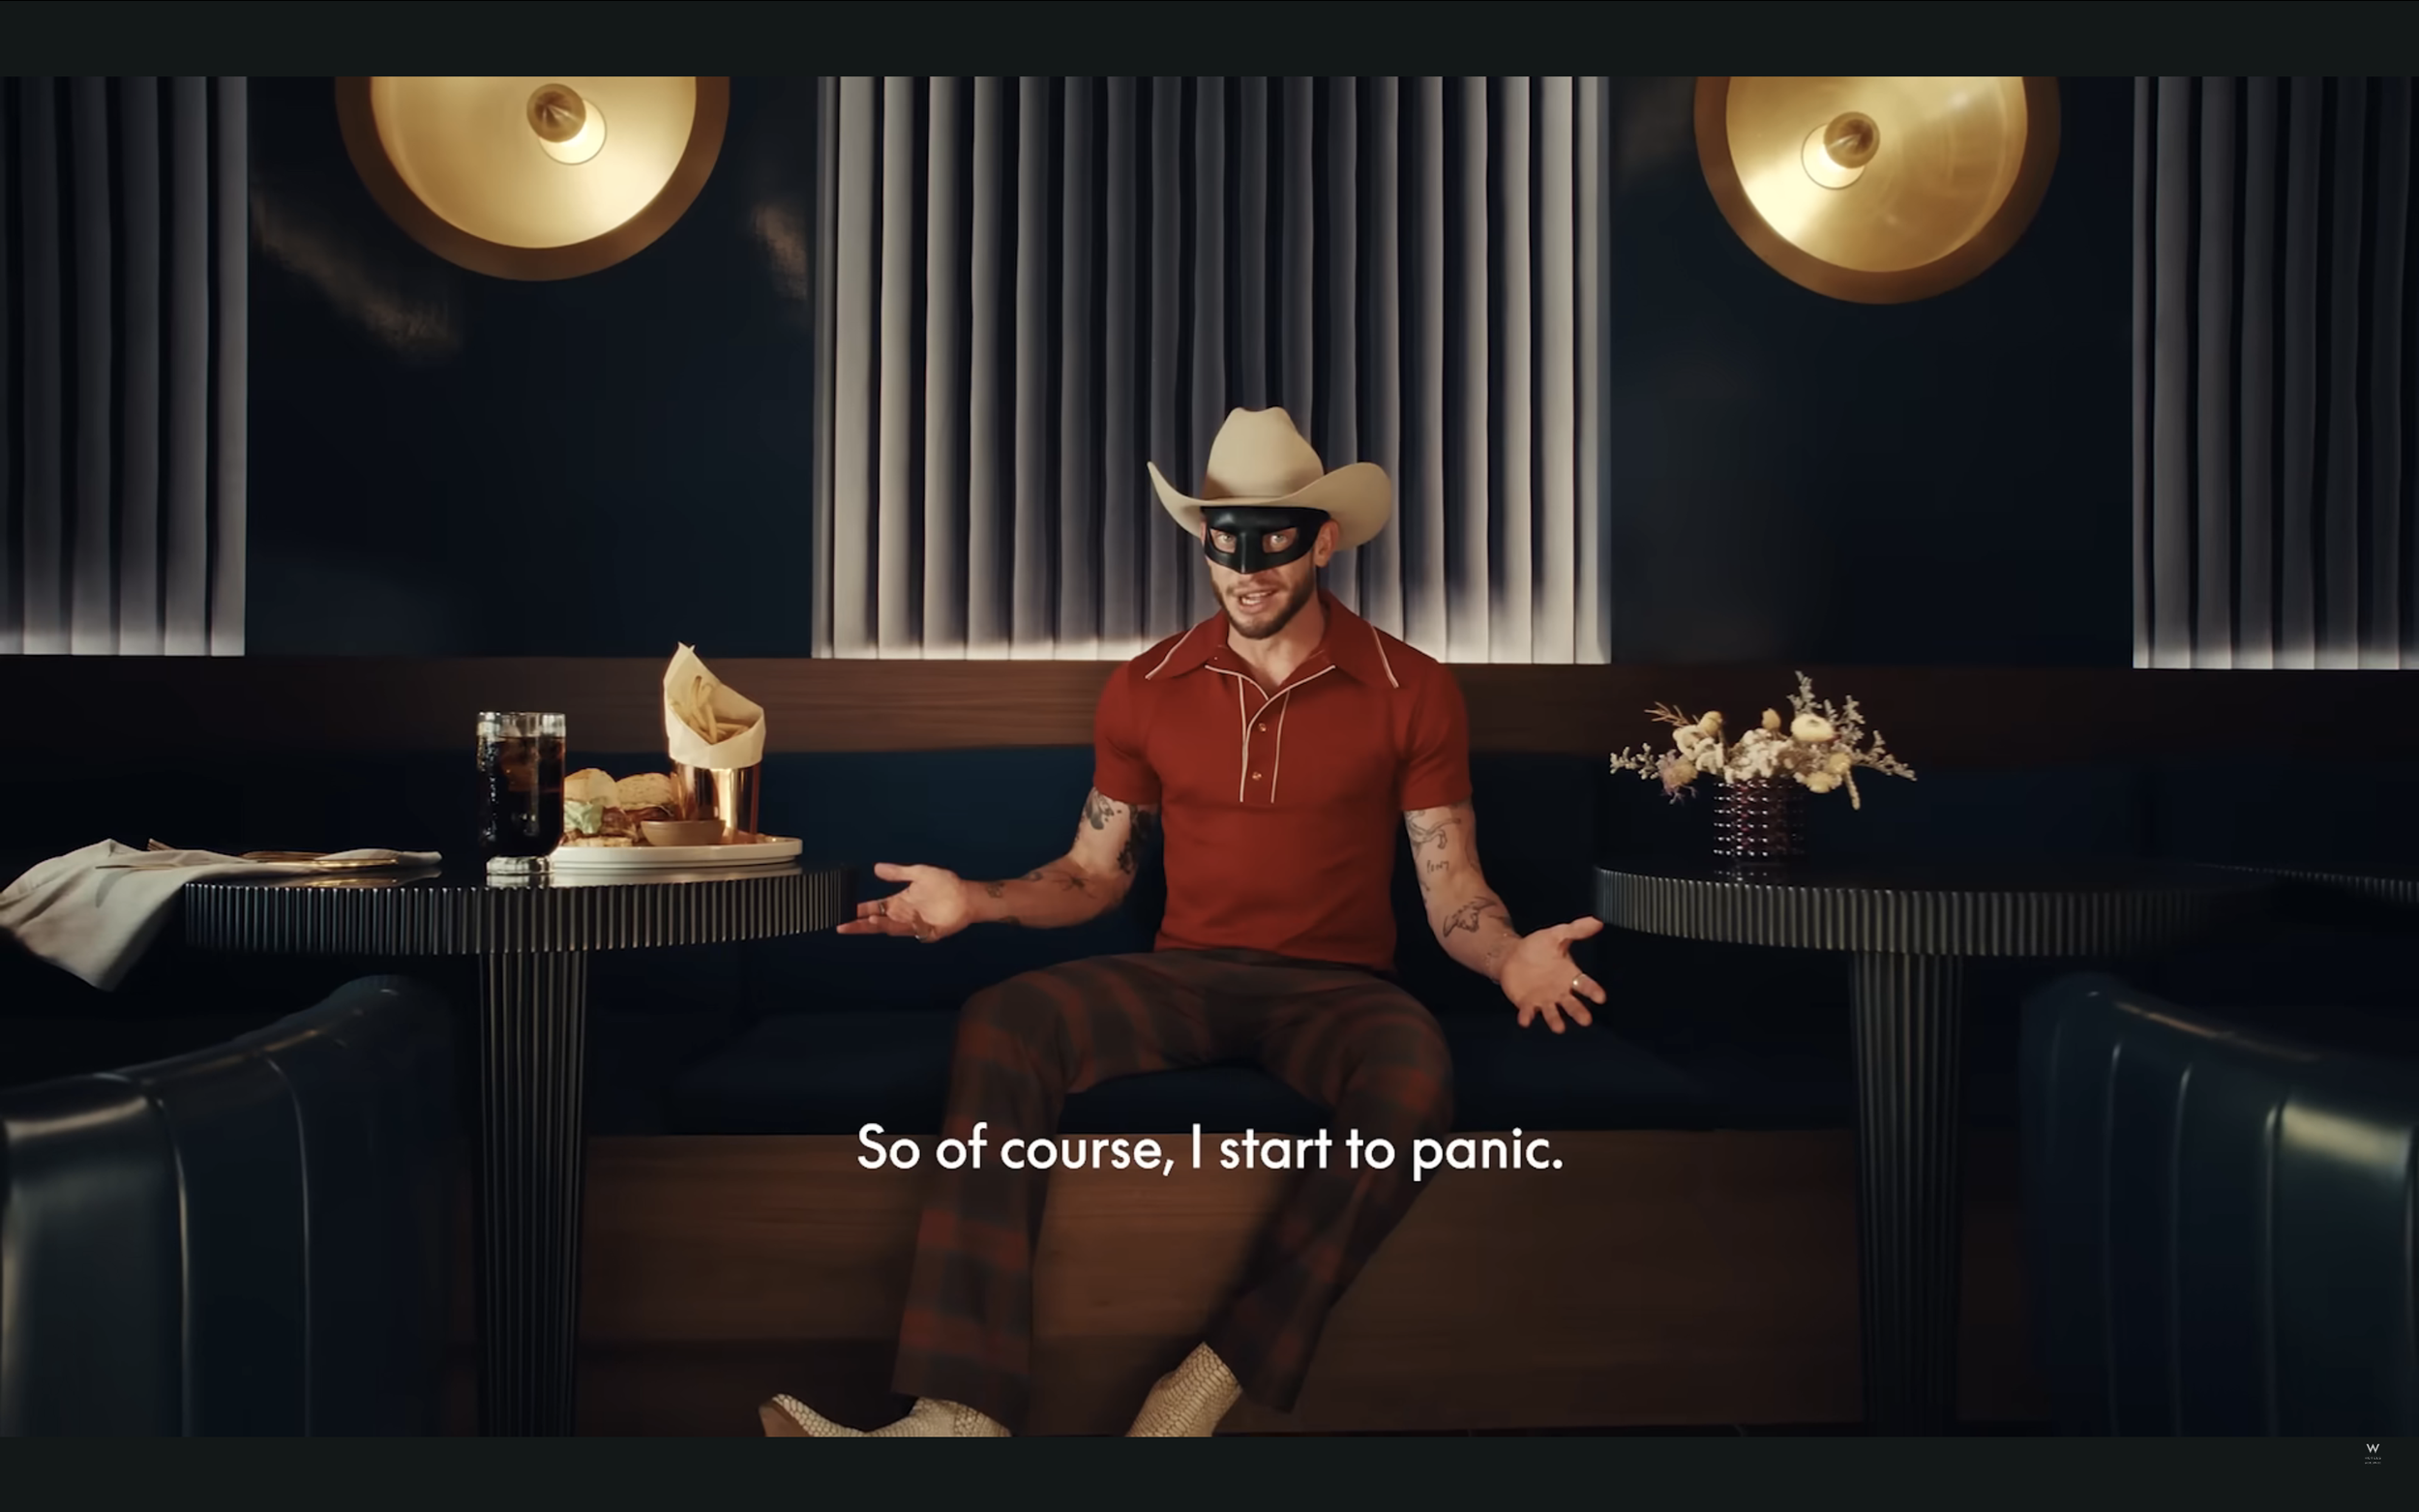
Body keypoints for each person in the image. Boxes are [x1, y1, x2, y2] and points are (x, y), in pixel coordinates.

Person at [762, 407, 1606, 1438]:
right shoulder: (1145, 687)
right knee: (1004, 1017)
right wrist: (978, 900)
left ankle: (1198, 1392)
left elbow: (1450, 888)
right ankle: (958, 1417)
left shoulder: (1410, 687)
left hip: (1339, 991)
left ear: (1323, 540)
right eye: (1224, 539)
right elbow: (1090, 873)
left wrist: (1509, 955)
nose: (1246, 568)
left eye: (1273, 539)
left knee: (1415, 1076)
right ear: (1201, 539)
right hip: (1183, 979)